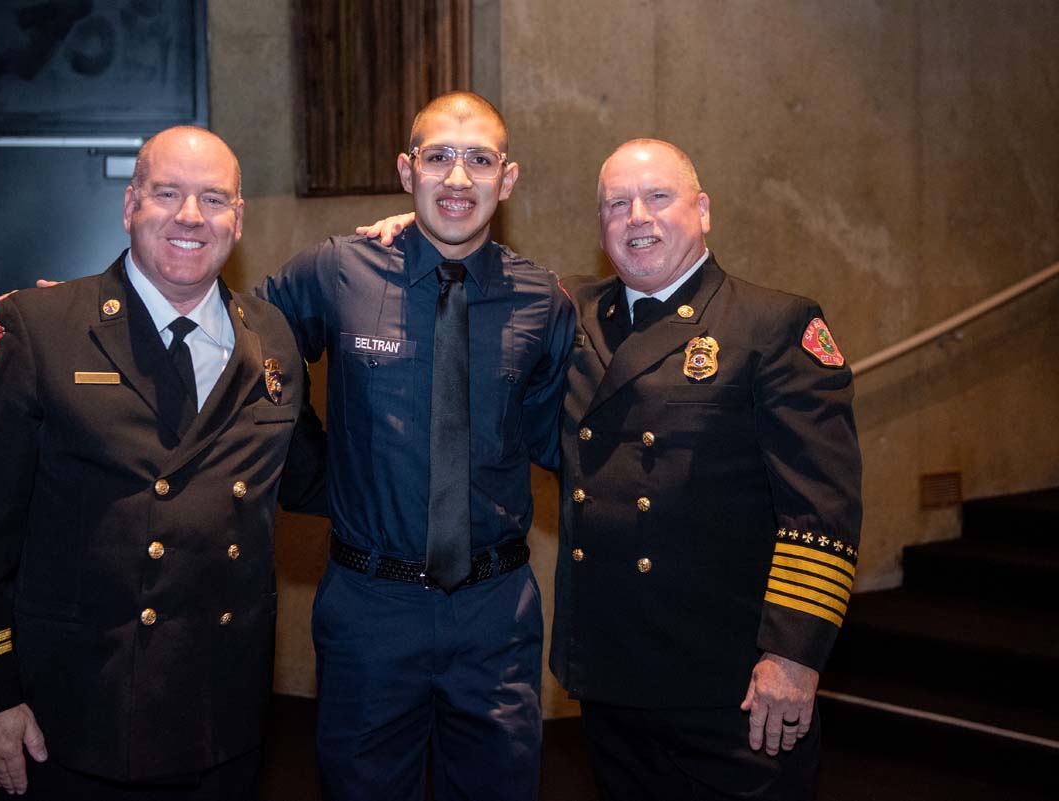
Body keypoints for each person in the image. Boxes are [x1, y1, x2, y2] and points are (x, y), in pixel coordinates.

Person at [0, 126, 326, 799]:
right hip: (81, 716)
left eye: (213, 198)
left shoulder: (273, 337)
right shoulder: (40, 327)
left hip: (221, 717)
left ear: (238, 217)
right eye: (167, 193)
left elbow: (314, 479)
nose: (190, 216)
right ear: (130, 205)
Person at [260, 91, 574, 801]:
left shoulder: (543, 301)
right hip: (371, 606)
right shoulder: (338, 271)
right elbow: (245, 347)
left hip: (495, 612)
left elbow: (561, 429)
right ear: (407, 171)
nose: (458, 179)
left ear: (508, 178)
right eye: (438, 157)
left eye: (478, 160)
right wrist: (316, 475)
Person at [553, 139, 862, 799]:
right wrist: (417, 226)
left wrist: (793, 655)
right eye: (617, 204)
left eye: (659, 197)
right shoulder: (574, 318)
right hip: (611, 676)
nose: (638, 216)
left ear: (704, 210)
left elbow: (823, 509)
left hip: (732, 688)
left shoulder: (773, 325)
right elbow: (487, 280)